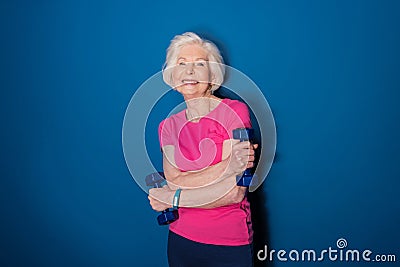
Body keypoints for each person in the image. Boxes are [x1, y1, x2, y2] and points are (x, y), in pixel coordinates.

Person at [148, 32, 258, 267]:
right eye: (182, 64)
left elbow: (233, 192)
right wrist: (225, 168)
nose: (190, 71)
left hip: (228, 242)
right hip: (180, 239)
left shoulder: (235, 112)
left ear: (212, 74)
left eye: (200, 64)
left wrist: (173, 196)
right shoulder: (168, 126)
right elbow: (174, 178)